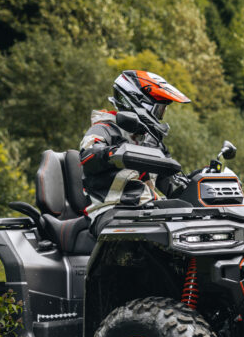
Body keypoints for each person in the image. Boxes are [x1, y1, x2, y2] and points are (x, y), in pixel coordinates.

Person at [80, 70, 192, 235]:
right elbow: (89, 156)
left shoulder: (151, 141)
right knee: (137, 231)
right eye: (158, 109)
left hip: (146, 208)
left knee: (188, 216)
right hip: (109, 210)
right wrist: (114, 154)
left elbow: (171, 184)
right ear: (137, 102)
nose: (160, 116)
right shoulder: (104, 129)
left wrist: (198, 181)